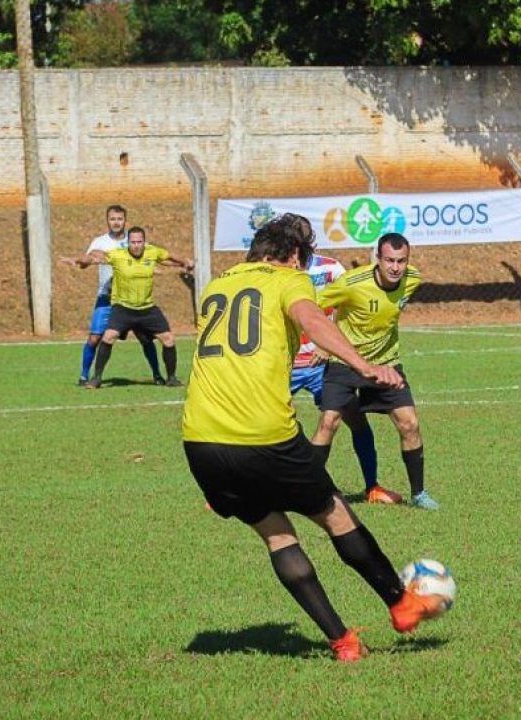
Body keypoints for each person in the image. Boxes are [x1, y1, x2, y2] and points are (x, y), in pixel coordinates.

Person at [182, 213, 447, 662]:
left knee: (277, 535)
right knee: (335, 516)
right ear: (293, 256)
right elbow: (312, 319)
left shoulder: (217, 285)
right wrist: (363, 365)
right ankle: (401, 605)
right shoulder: (288, 279)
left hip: (200, 441)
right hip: (263, 434)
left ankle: (343, 642)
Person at [311, 233, 439, 510]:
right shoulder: (352, 283)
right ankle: (307, 491)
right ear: (377, 259)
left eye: (401, 261)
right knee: (328, 422)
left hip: (386, 365)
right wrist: (325, 342)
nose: (395, 267)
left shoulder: (412, 280)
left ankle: (418, 494)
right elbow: (312, 308)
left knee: (410, 424)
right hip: (345, 362)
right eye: (389, 260)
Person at [291, 252, 397, 504]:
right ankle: (233, 489)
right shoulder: (277, 270)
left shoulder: (330, 268)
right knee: (257, 423)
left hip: (322, 365)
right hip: (285, 365)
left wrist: (327, 344)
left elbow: (347, 304)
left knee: (354, 420)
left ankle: (372, 486)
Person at [60, 226, 192, 388]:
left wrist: (184, 261)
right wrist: (78, 259)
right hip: (123, 308)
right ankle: (96, 378)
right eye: (133, 242)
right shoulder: (117, 255)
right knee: (108, 337)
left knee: (168, 339)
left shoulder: (152, 252)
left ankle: (171, 378)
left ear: (144, 242)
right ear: (128, 243)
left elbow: (169, 257)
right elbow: (94, 258)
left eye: (139, 242)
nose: (136, 245)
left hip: (146, 308)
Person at [70, 205, 163, 386]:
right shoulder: (99, 241)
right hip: (107, 297)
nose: (116, 222)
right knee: (95, 337)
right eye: (112, 219)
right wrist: (81, 260)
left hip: (132, 301)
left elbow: (153, 258)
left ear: (125, 220)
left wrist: (177, 266)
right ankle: (83, 376)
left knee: (145, 338)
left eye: (119, 219)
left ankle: (157, 375)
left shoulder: (134, 241)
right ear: (107, 220)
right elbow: (88, 260)